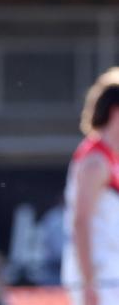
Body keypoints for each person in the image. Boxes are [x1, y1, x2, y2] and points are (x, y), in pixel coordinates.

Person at [62, 67, 119, 305]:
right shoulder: (95, 162)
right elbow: (81, 220)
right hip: (99, 276)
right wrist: (88, 282)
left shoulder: (110, 157)